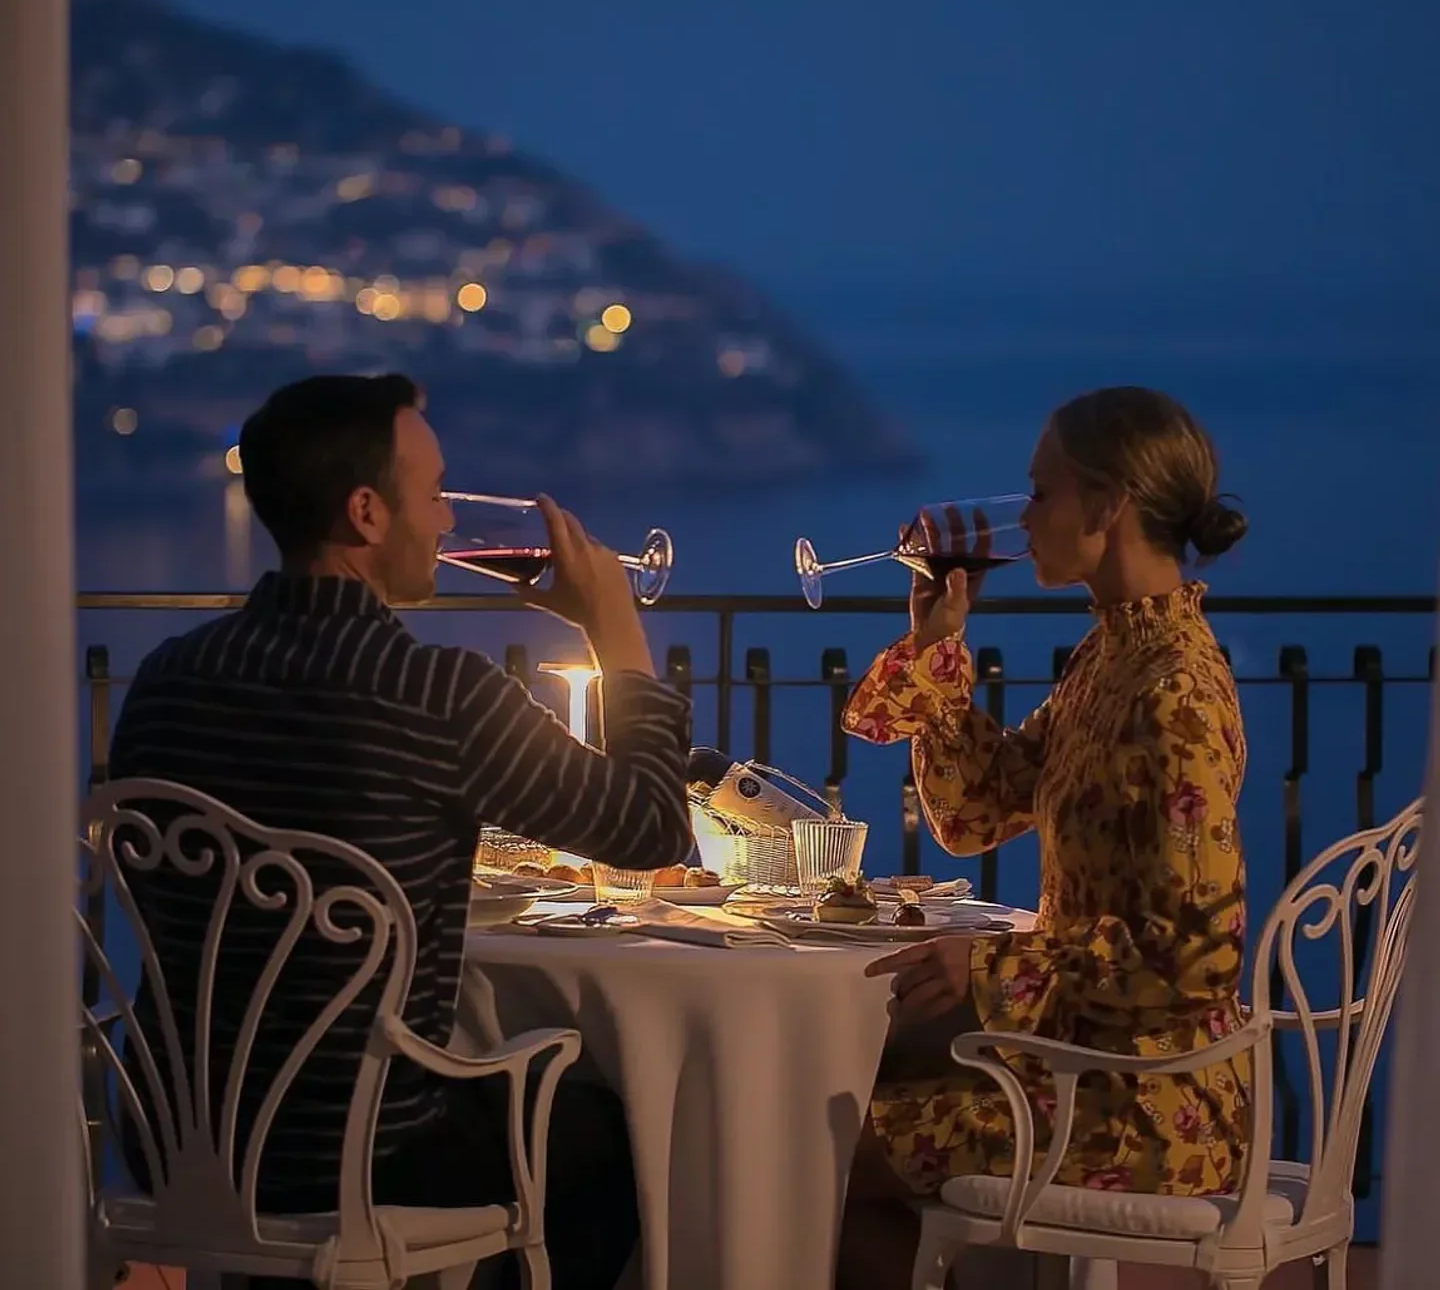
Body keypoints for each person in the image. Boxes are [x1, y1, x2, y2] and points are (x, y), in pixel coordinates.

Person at [110, 373, 694, 1290]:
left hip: (170, 1135)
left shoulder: (166, 682)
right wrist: (616, 634)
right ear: (368, 513)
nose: (450, 525)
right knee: (620, 1138)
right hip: (360, 1153)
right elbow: (651, 827)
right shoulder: (439, 697)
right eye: (434, 496)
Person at [837, 386, 1251, 1290]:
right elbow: (976, 812)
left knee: (809, 1148)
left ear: (1108, 506)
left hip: (1144, 1097)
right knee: (829, 1100)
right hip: (1078, 1055)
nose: (1022, 518)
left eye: (1041, 494)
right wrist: (940, 640)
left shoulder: (1172, 692)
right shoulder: (1113, 657)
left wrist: (989, 970)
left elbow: (1198, 957)